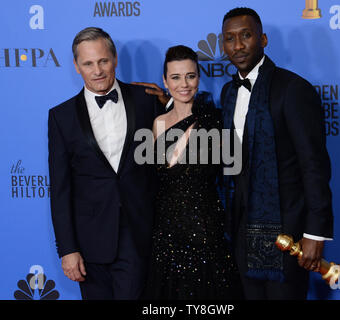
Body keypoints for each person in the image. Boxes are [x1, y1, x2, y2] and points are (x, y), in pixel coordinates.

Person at [220, 8, 334, 299]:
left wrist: (314, 233)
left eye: (246, 35)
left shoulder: (293, 89)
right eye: (230, 39)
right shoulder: (228, 93)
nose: (238, 45)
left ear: (263, 39)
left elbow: (314, 165)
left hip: (287, 231)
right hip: (242, 232)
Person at [48, 27, 167, 300]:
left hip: (137, 235)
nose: (97, 70)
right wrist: (67, 249)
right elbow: (60, 188)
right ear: (77, 67)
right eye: (88, 63)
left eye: (103, 61)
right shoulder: (61, 117)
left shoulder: (146, 101)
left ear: (115, 59)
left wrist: (167, 101)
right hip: (88, 242)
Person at [144, 45, 242, 299]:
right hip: (166, 236)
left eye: (190, 76)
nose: (184, 84)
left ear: (199, 77)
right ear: (165, 81)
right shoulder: (157, 124)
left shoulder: (216, 122)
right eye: (175, 77)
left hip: (206, 236)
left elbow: (234, 176)